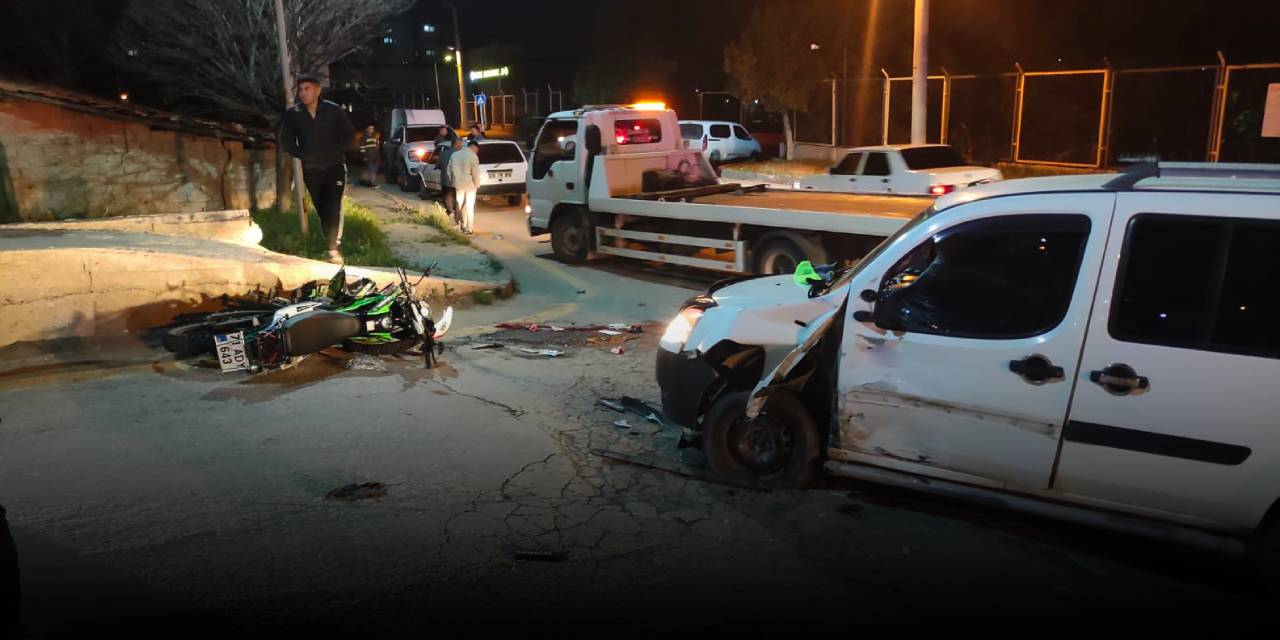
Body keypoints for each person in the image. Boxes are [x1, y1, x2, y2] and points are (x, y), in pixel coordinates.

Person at [279, 73, 355, 264]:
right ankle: (329, 239)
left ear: (317, 90)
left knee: (333, 205)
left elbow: (349, 134)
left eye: (307, 89)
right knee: (322, 208)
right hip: (311, 168)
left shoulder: (333, 111)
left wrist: (339, 151)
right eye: (300, 89)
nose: (303, 93)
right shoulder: (294, 114)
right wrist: (300, 153)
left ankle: (332, 248)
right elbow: (286, 138)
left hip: (334, 167)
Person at [449, 139, 482, 235]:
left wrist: (452, 181)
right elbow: (475, 173)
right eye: (477, 150)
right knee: (469, 206)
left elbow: (449, 170)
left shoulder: (454, 155)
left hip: (458, 184)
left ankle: (460, 225)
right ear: (473, 148)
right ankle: (469, 228)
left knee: (459, 204)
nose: (476, 152)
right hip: (470, 185)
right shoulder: (473, 156)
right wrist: (477, 184)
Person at [436, 137, 461, 223]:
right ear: (456, 144)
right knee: (458, 198)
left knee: (447, 195)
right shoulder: (459, 153)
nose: (461, 145)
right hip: (457, 180)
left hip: (446, 180)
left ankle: (450, 211)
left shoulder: (443, 153)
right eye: (460, 144)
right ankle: (457, 218)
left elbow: (438, 165)